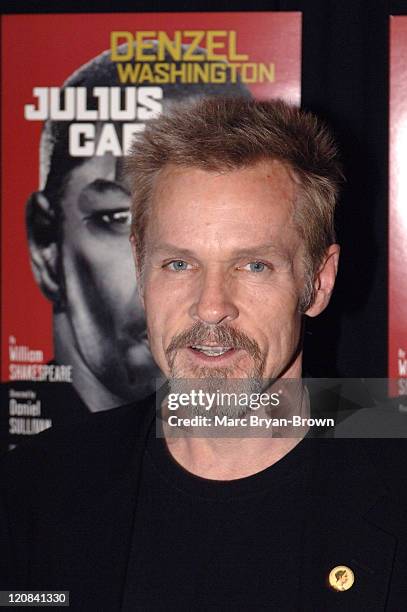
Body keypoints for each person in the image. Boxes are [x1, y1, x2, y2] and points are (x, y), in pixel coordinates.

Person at [1, 97, 406, 610]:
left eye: (254, 266)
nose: (211, 307)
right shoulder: (38, 488)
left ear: (318, 281)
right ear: (141, 267)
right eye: (178, 265)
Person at [25, 43, 250, 412]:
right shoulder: (22, 463)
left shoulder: (352, 424)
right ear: (45, 245)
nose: (172, 269)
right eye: (119, 218)